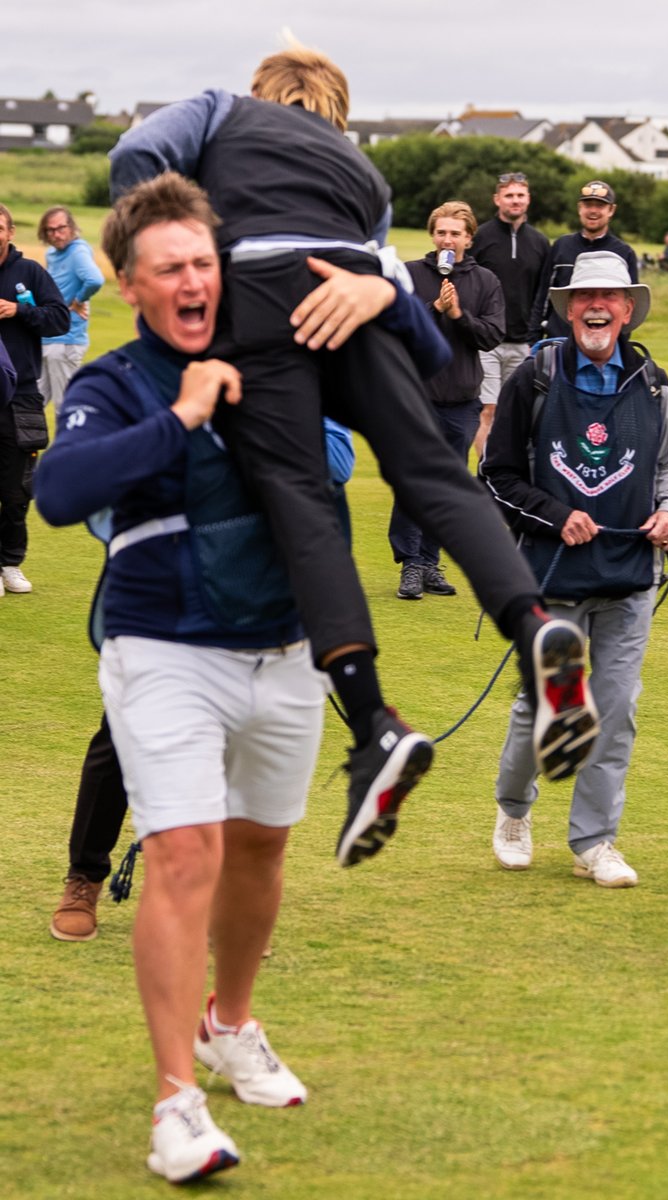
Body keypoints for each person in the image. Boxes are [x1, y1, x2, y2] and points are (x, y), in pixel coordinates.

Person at [109, 41, 600, 823]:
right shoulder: (363, 172)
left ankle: (373, 721)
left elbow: (137, 153)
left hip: (263, 292)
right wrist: (379, 294)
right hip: (353, 293)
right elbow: (429, 343)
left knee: (302, 505)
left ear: (262, 93)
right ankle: (535, 630)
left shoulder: (218, 110)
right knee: (436, 477)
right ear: (336, 109)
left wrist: (163, 249)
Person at [35, 174, 328, 1184]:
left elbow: (339, 454)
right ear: (129, 284)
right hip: (161, 646)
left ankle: (230, 1025)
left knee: (260, 850)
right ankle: (176, 1104)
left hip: (285, 646)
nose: (194, 280)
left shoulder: (272, 364)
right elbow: (61, 492)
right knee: (183, 854)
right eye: (172, 268)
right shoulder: (113, 384)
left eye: (204, 262)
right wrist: (186, 415)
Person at [49, 420, 356, 943]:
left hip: (258, 598)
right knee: (118, 744)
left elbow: (337, 460)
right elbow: (95, 489)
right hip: (163, 597)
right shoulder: (150, 377)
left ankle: (223, 901)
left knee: (239, 755)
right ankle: (84, 878)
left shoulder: (294, 376)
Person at [482, 251, 668, 886]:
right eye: (584, 296)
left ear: (628, 309)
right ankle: (514, 810)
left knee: (615, 709)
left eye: (610, 296)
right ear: (570, 308)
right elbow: (497, 475)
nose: (597, 306)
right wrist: (554, 513)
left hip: (629, 575)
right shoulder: (535, 376)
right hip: (549, 576)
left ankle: (595, 841)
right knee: (545, 706)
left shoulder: (654, 382)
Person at [390, 200, 505, 600]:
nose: (447, 239)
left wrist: (458, 316)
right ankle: (410, 565)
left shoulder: (486, 281)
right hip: (415, 397)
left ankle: (430, 562)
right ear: (432, 235)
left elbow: (492, 335)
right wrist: (433, 309)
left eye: (456, 233)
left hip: (461, 399)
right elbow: (395, 328)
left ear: (469, 238)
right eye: (441, 232)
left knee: (449, 486)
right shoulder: (408, 274)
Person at [0, 203, 69, 596]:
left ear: (9, 232)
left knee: (16, 489)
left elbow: (60, 318)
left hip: (21, 395)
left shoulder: (29, 274)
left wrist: (18, 311)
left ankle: (10, 563)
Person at [470, 172, 549, 458]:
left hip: (523, 343)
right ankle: (486, 473)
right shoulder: (480, 237)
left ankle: (509, 476)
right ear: (497, 199)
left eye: (520, 195)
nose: (515, 200)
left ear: (528, 199)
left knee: (516, 412)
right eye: (509, 195)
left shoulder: (540, 242)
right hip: (487, 341)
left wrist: (534, 337)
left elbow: (543, 293)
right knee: (488, 408)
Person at [528, 180, 639, 342]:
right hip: (559, 341)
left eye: (600, 206)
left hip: (602, 344)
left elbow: (627, 304)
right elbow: (544, 296)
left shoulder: (623, 252)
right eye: (588, 205)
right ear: (580, 208)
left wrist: (620, 344)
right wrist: (533, 338)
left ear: (611, 210)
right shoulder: (561, 246)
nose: (593, 211)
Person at [37, 205, 105, 412]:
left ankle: (71, 445)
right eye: (51, 230)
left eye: (61, 228)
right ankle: (19, 445)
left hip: (66, 340)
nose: (57, 235)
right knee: (31, 403)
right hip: (47, 337)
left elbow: (95, 279)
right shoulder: (52, 253)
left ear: (72, 227)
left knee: (65, 408)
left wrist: (78, 300)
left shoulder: (78, 251)